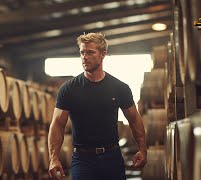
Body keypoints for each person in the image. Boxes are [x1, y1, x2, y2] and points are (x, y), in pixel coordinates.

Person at [48, 32, 147, 180]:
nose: (84, 57)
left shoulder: (119, 88)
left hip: (111, 157)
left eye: (90, 52)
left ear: (103, 54)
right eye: (82, 52)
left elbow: (134, 119)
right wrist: (53, 157)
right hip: (82, 159)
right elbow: (57, 124)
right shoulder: (69, 89)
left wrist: (142, 149)